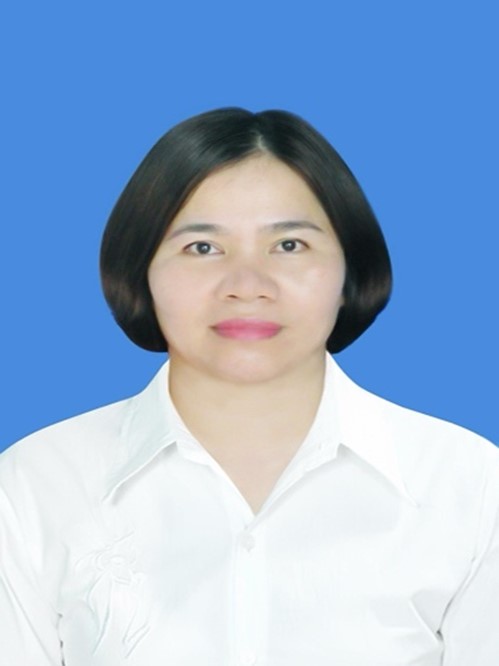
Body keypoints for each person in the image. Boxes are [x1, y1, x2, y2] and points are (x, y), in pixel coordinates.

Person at [0, 107, 498, 666]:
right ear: (141, 270)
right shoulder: (37, 485)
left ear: (350, 272)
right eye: (203, 248)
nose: (247, 285)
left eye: (289, 245)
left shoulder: (469, 485)